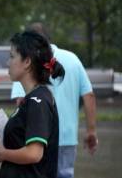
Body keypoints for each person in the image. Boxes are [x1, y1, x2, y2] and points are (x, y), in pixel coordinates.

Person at [11, 23, 98, 178]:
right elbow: (89, 95)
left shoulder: (25, 64)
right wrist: (91, 131)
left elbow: (21, 102)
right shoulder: (73, 59)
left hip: (36, 139)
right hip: (67, 138)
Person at [0, 31, 64, 178]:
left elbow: (34, 154)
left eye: (12, 56)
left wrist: (2, 154)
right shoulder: (32, 98)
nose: (8, 62)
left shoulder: (38, 101)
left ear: (27, 62)